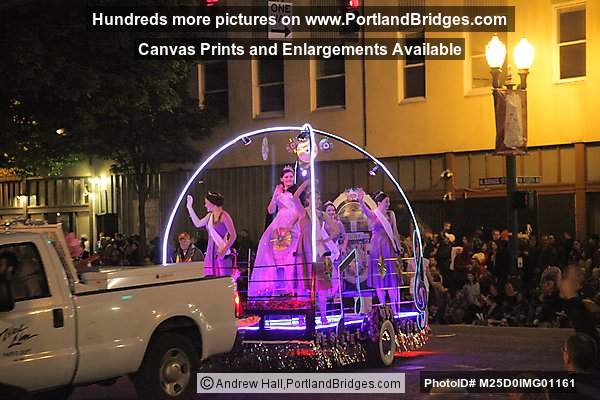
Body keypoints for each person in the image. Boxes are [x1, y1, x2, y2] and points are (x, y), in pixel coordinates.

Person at [249, 166, 309, 297]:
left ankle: (294, 288)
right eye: (286, 177)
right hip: (279, 224)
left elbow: (301, 211)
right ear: (281, 179)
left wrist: (291, 225)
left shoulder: (297, 192)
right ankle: (279, 289)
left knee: (292, 256)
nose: (289, 179)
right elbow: (270, 210)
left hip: (293, 224)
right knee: (275, 256)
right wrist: (275, 195)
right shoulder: (279, 194)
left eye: (291, 177)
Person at [357, 189, 402, 313]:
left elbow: (395, 232)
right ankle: (383, 305)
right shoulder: (374, 214)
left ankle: (394, 307)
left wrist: (398, 247)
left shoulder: (391, 214)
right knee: (381, 275)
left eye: (389, 202)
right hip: (378, 249)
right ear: (379, 202)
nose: (388, 204)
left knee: (391, 277)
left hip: (388, 248)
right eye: (386, 202)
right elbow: (366, 211)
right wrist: (361, 200)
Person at [186, 192, 237, 277]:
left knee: (222, 277)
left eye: (206, 203)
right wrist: (189, 207)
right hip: (210, 251)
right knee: (210, 277)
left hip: (220, 251)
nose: (205, 205)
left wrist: (224, 251)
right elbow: (198, 223)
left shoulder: (225, 216)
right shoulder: (210, 216)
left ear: (212, 203)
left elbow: (233, 235)